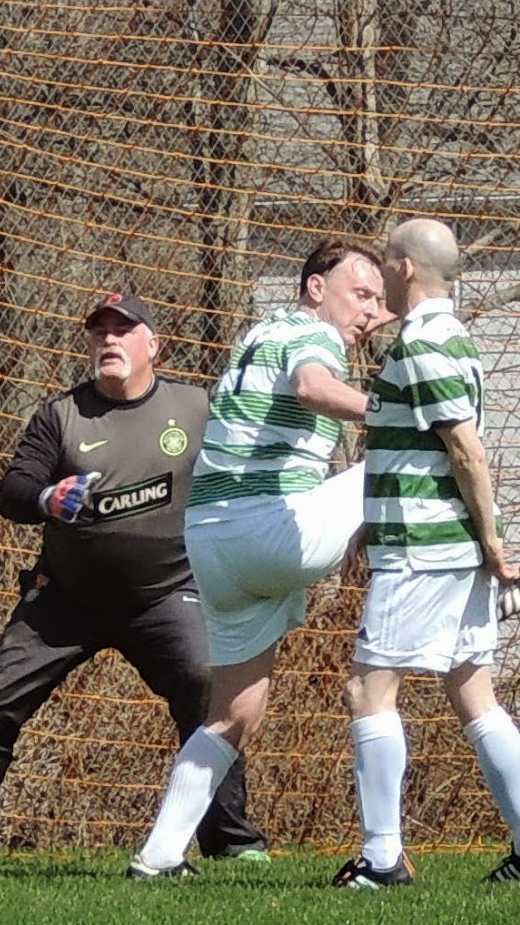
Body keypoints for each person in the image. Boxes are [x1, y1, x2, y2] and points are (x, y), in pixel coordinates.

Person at [0, 291, 268, 869]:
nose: (109, 339)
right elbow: (13, 490)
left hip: (168, 593)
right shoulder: (61, 415)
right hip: (66, 599)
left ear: (153, 345)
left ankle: (232, 843)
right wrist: (47, 497)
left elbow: (246, 472)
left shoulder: (196, 408)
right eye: (99, 331)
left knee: (206, 686)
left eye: (123, 329)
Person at [127, 238, 386, 877]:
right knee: (421, 440)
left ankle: (158, 856)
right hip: (268, 529)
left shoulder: (262, 332)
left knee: (236, 713)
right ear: (315, 287)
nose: (369, 310)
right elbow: (312, 386)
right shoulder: (313, 333)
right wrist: (392, 412)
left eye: (379, 299)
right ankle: (493, 568)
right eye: (361, 293)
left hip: (212, 540)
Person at [332, 218, 520, 887]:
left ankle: (381, 860)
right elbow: (420, 446)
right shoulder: (445, 335)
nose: (380, 273)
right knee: (474, 693)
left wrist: (493, 542)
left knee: (368, 689)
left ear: (404, 267)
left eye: (385, 260)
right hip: (437, 545)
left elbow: (465, 448)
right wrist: (372, 523)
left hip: (425, 551)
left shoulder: (425, 341)